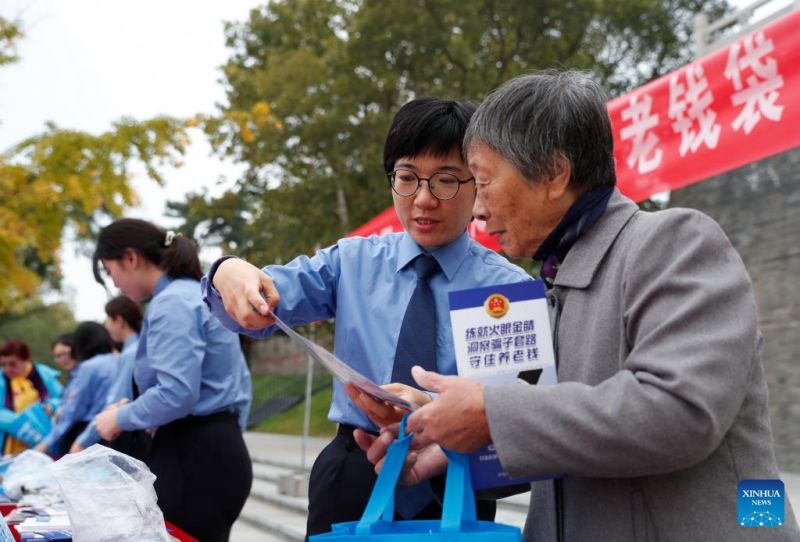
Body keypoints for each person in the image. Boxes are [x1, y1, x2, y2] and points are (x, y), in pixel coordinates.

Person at [356, 70, 800, 541]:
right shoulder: (551, 288)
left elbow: (680, 412)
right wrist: (443, 433)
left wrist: (491, 414)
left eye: (483, 184)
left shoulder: (674, 243)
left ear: (553, 174)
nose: (479, 213)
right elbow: (552, 436)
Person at [202, 97, 531, 537]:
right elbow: (263, 297)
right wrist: (226, 272)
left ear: (478, 184)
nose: (424, 200)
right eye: (407, 178)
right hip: (354, 470)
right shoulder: (351, 262)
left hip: (455, 479)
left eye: (447, 181)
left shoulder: (505, 289)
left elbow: (521, 410)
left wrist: (441, 419)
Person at [91, 218, 253, 542]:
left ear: (131, 258)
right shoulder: (195, 294)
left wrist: (119, 417)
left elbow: (177, 394)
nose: (116, 284)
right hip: (213, 448)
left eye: (111, 273)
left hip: (195, 457)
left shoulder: (172, 302)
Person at [70, 296, 151, 460]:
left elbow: (116, 400)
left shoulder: (129, 354)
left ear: (119, 320)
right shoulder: (143, 345)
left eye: (108, 319)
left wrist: (83, 441)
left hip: (132, 433)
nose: (106, 325)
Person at [35, 322, 117, 456]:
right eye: (57, 356)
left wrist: (45, 444)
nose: (62, 359)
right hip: (114, 428)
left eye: (65, 353)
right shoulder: (119, 360)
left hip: (90, 433)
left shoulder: (88, 368)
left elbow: (72, 412)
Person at [0, 340, 63, 454]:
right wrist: (18, 422)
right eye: (3, 364)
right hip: (7, 447)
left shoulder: (42, 374)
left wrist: (51, 406)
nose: (7, 369)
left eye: (12, 364)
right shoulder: (1, 380)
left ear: (26, 360)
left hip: (46, 440)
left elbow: (63, 397)